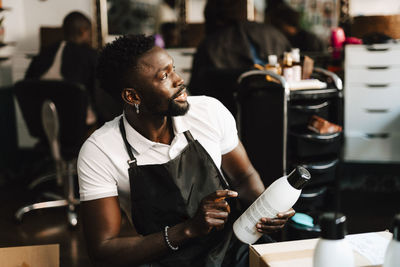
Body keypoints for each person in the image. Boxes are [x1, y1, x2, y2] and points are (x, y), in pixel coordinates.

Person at [77, 34, 295, 266]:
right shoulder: (100, 151)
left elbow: (244, 177)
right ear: (132, 96)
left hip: (232, 248)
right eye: (164, 76)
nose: (179, 79)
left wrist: (265, 209)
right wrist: (188, 230)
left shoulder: (209, 112)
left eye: (174, 69)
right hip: (162, 258)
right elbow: (103, 250)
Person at [189, 0, 291, 116]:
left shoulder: (210, 45)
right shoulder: (273, 35)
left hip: (228, 116)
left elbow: (197, 89)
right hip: (278, 113)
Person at [25, 11, 98, 126]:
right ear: (84, 31)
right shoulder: (90, 56)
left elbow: (26, 87)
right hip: (78, 124)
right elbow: (100, 95)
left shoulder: (41, 55)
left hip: (42, 124)